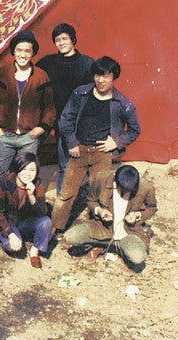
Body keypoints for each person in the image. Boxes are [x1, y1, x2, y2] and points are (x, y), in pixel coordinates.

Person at [0, 30, 55, 235]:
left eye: (28, 50)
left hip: (29, 137)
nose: (23, 54)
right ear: (13, 51)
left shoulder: (41, 76)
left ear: (33, 52)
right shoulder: (2, 74)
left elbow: (50, 108)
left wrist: (42, 128)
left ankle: (27, 217)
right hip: (6, 135)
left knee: (29, 177)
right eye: (19, 50)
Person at [51, 56, 141, 235]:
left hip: (102, 154)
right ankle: (54, 229)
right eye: (98, 75)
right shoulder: (81, 94)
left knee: (101, 197)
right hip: (79, 150)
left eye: (106, 76)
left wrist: (116, 142)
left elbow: (134, 129)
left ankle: (93, 233)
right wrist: (72, 143)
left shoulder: (122, 103)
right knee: (66, 194)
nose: (101, 80)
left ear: (113, 77)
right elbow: (65, 119)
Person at [36, 23, 95, 194]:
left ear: (73, 40)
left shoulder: (86, 63)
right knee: (28, 151)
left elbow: (91, 95)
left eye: (65, 39)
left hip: (69, 120)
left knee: (65, 164)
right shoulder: (47, 62)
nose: (61, 43)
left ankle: (63, 202)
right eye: (57, 40)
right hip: (47, 116)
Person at [63, 165, 157, 270]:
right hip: (102, 227)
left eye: (128, 190)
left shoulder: (146, 188)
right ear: (114, 176)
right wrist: (99, 211)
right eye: (120, 187)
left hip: (129, 231)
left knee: (138, 257)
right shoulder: (101, 179)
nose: (124, 191)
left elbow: (152, 208)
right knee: (70, 237)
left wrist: (138, 215)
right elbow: (91, 200)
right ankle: (105, 246)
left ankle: (106, 246)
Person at [0, 151, 52, 268]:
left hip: (25, 221)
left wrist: (31, 196)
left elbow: (41, 213)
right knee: (12, 246)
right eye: (24, 169)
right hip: (7, 221)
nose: (28, 174)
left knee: (46, 222)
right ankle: (14, 236)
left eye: (32, 170)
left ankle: (34, 251)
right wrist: (10, 234)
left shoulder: (38, 183)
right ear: (17, 168)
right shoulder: (4, 183)